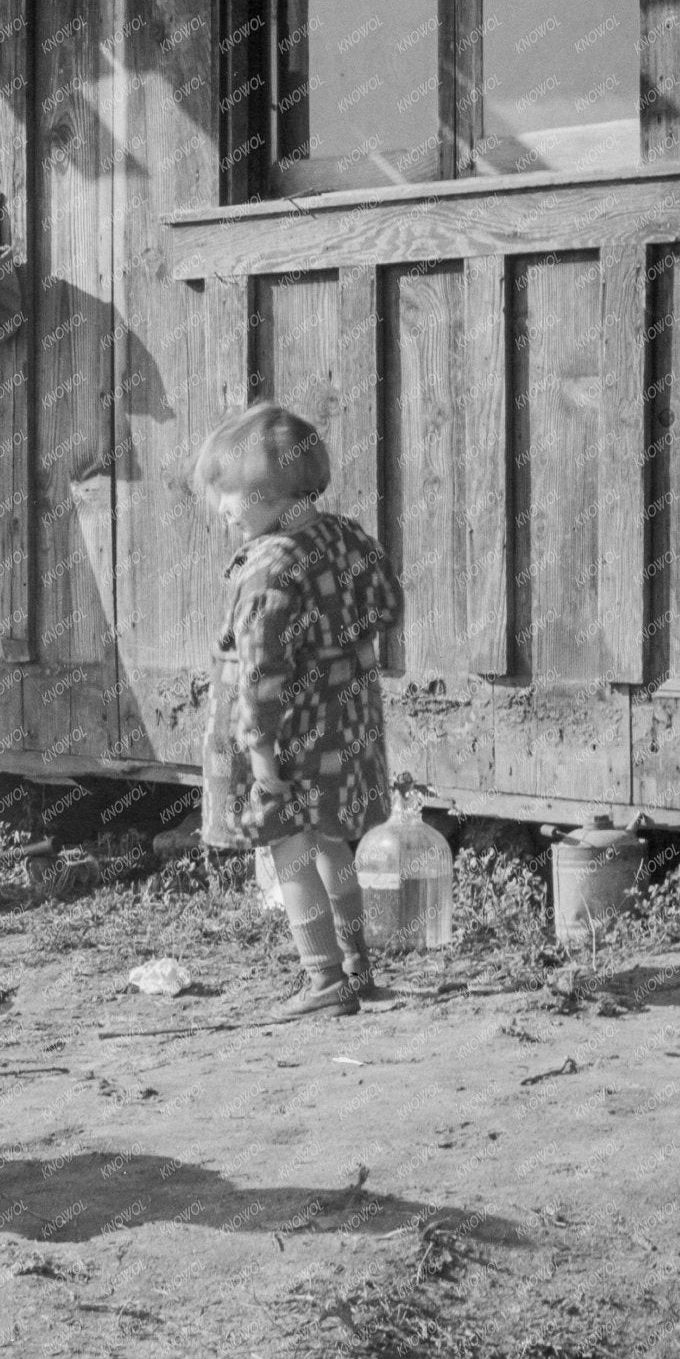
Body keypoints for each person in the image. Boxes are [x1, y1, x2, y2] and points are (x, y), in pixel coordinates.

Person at [192, 404, 405, 1017]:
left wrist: (259, 755)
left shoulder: (271, 569)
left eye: (228, 495)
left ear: (264, 493)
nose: (223, 509)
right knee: (333, 840)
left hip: (288, 735)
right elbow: (387, 605)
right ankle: (358, 966)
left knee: (288, 847)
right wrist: (340, 648)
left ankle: (322, 980)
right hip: (346, 722)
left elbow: (262, 676)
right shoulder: (345, 537)